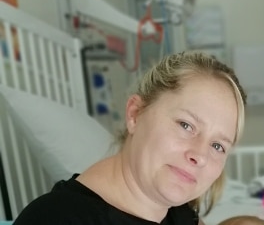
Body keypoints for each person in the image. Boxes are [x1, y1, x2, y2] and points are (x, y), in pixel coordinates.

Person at [13, 51, 247, 225]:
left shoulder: (179, 214)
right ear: (135, 114)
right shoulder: (55, 220)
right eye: (186, 125)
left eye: (217, 145)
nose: (200, 155)